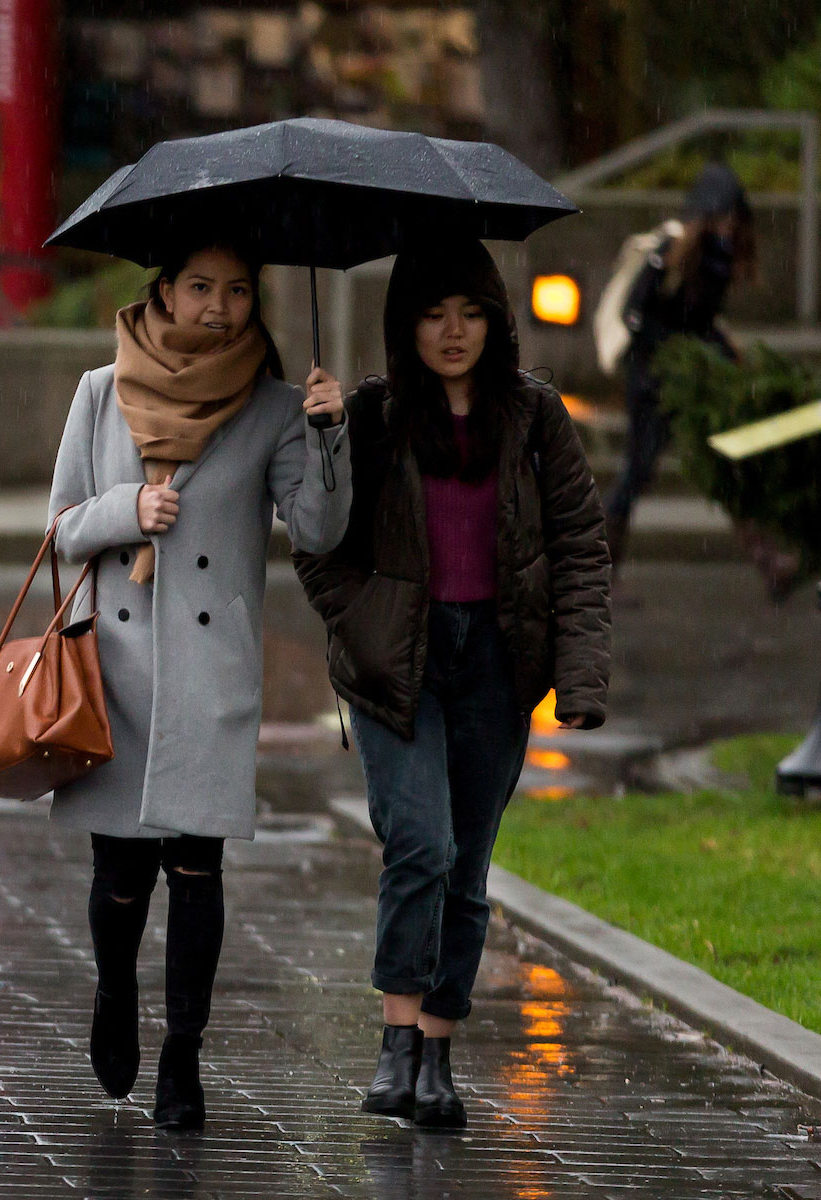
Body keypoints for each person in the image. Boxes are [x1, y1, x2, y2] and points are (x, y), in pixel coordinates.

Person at [294, 239, 610, 1132]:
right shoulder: (372, 414)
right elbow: (317, 541)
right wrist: (357, 624)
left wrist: (578, 675)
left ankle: (437, 1050)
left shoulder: (533, 415)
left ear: (496, 321)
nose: (453, 331)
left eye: (470, 312)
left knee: (467, 867)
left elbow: (581, 543)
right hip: (402, 663)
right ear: (407, 325)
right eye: (434, 313)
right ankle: (396, 1040)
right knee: (421, 844)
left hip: (497, 668)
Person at [45, 242, 350, 1130]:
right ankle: (113, 994)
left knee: (198, 869)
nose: (220, 307)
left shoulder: (276, 405)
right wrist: (125, 512)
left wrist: (330, 433)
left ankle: (184, 1054)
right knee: (120, 872)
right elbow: (61, 523)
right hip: (116, 667)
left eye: (240, 290)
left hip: (212, 671)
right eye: (202, 288)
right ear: (165, 292)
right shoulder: (100, 390)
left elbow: (321, 530)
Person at [607, 163, 775, 582]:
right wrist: (675, 353)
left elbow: (701, 323)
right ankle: (601, 576)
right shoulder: (671, 252)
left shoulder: (720, 261)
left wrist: (719, 354)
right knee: (636, 474)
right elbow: (635, 313)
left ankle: (768, 563)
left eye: (735, 218)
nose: (729, 227)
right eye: (722, 217)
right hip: (654, 382)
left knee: (725, 463)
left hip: (693, 385)